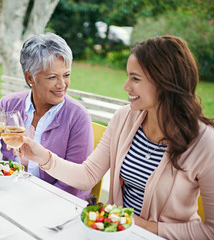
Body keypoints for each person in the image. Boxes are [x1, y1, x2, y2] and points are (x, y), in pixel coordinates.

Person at [17, 36, 214, 239]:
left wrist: (145, 227)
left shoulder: (205, 143)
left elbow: (211, 231)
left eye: (135, 78)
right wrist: (44, 158)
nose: (126, 86)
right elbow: (87, 176)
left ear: (165, 82)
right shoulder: (124, 118)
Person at [0, 33, 94, 199]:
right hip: (10, 191)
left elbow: (75, 184)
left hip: (54, 203)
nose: (62, 84)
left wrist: (34, 201)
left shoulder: (78, 117)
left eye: (66, 75)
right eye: (53, 77)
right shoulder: (8, 105)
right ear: (30, 77)